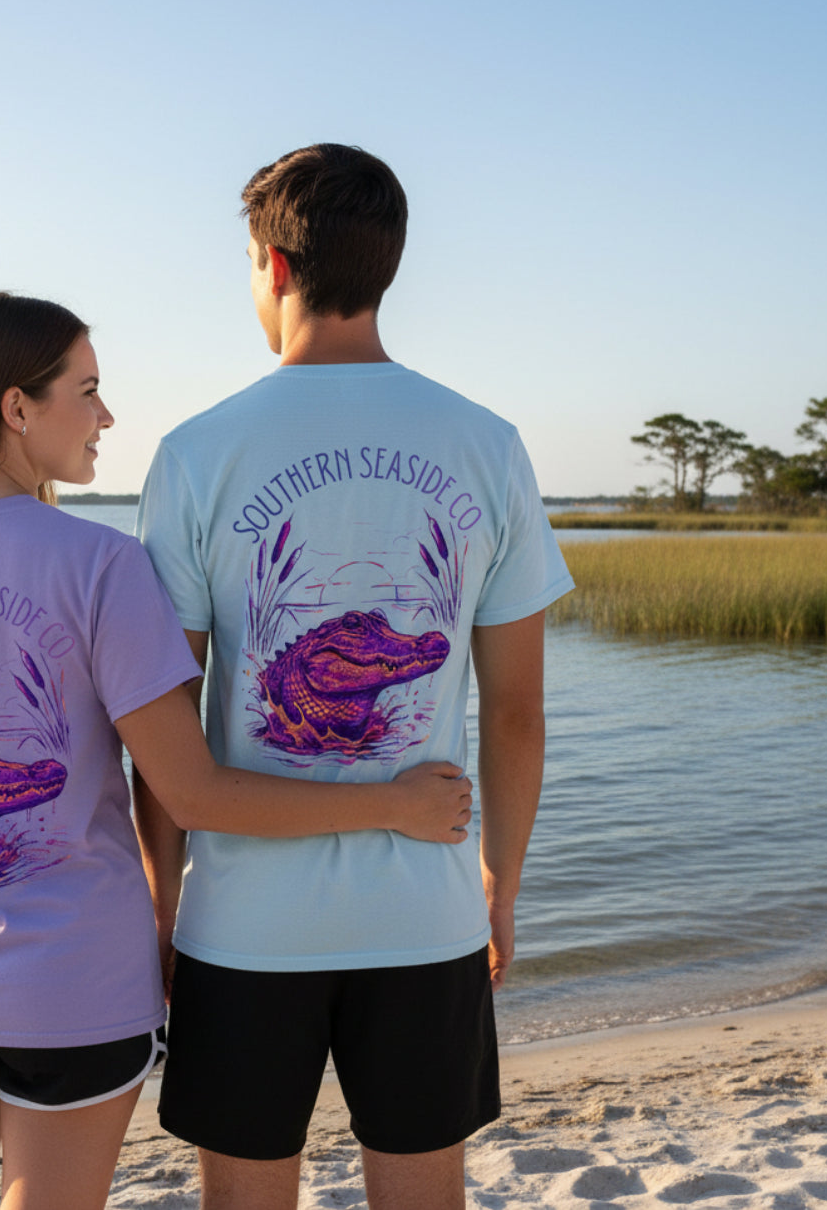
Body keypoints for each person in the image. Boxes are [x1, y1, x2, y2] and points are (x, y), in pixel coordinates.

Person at [0, 291, 476, 1210]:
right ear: (15, 407)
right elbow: (191, 790)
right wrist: (393, 804)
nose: (106, 416)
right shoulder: (100, 564)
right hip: (73, 987)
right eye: (86, 390)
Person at [135, 144, 576, 1210]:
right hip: (426, 918)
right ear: (385, 267)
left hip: (241, 927)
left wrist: (159, 909)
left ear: (274, 267)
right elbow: (516, 709)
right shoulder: (489, 444)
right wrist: (497, 885)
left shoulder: (195, 454)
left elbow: (165, 728)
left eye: (248, 263)